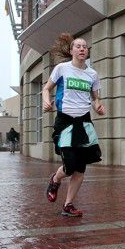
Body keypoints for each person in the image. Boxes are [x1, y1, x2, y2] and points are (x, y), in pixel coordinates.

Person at [43, 33, 105, 217]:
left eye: (85, 47)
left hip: (84, 121)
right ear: (71, 51)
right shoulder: (62, 69)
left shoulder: (92, 74)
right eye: (78, 46)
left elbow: (95, 98)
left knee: (80, 167)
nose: (82, 49)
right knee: (70, 164)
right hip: (65, 120)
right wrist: (47, 102)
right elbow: (47, 88)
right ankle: (55, 179)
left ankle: (68, 205)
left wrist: (98, 106)